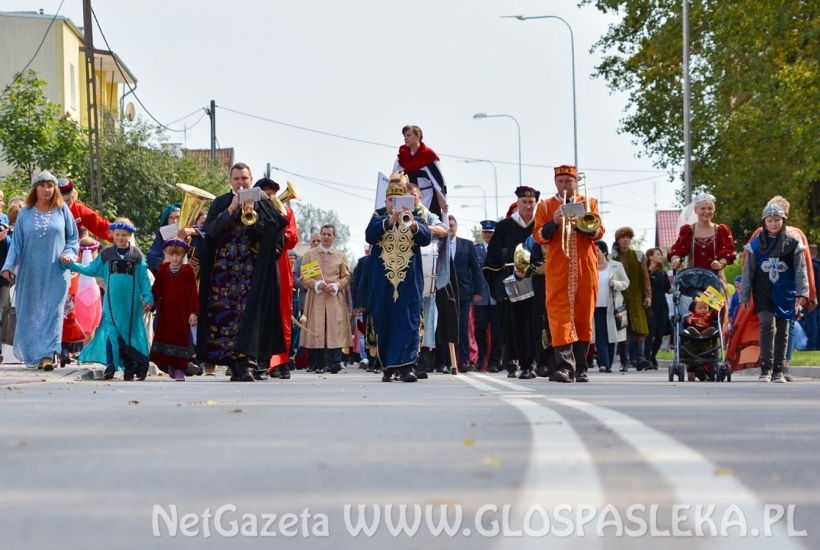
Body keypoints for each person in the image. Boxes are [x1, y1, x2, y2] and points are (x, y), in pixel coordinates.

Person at [199, 162, 289, 381]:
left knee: (251, 317)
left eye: (245, 178)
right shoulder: (221, 202)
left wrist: (254, 211)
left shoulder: (264, 202)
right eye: (237, 178)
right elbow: (210, 231)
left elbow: (275, 234)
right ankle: (234, 364)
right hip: (225, 274)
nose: (241, 182)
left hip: (254, 274)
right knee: (226, 317)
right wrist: (231, 209)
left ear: (251, 179)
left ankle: (248, 363)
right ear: (230, 180)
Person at [533, 165, 606, 383]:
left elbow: (599, 231)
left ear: (576, 182)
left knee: (584, 315)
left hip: (585, 267)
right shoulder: (546, 205)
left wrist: (581, 223)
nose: (565, 186)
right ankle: (565, 366)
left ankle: (582, 367)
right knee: (559, 315)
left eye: (569, 181)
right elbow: (538, 236)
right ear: (556, 183)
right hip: (558, 268)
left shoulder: (589, 202)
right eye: (561, 181)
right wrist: (554, 221)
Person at [1, 171, 79, 370]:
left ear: (55, 189)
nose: (46, 189)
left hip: (57, 272)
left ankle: (47, 355)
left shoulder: (62, 211)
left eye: (50, 185)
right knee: (31, 313)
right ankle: (34, 355)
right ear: (35, 189)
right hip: (30, 272)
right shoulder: (26, 213)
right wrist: (8, 266)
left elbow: (73, 239)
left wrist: (69, 254)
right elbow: (16, 244)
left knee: (53, 312)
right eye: (42, 185)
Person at [63, 218, 153, 380]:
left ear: (130, 236)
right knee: (112, 332)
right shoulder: (107, 254)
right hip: (111, 304)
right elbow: (91, 269)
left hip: (130, 307)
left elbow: (143, 279)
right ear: (112, 235)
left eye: (124, 235)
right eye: (117, 234)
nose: (120, 238)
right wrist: (71, 264)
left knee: (128, 335)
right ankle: (111, 365)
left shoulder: (137, 255)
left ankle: (129, 367)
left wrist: (148, 298)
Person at [365, 176, 432, 382]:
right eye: (390, 201)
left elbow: (426, 238)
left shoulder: (416, 217)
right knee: (385, 320)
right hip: (383, 281)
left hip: (408, 280)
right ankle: (387, 368)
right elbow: (370, 235)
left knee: (408, 321)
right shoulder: (378, 218)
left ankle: (406, 368)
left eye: (398, 200)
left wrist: (412, 225)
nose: (394, 204)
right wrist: (391, 220)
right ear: (386, 202)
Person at [739, 203, 808, 383]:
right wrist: (744, 296)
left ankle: (778, 369)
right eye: (770, 220)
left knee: (783, 329)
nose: (774, 223)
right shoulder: (755, 245)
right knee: (767, 324)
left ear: (783, 220)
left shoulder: (793, 244)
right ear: (764, 222)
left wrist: (803, 292)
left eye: (777, 220)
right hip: (764, 292)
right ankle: (765, 368)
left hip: (785, 292)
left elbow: (801, 270)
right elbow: (748, 272)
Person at [484, 187, 541, 379]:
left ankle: (538, 362)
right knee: (516, 323)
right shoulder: (504, 226)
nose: (527, 206)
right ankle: (522, 363)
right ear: (517, 204)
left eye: (531, 202)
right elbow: (491, 258)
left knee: (536, 322)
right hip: (513, 280)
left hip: (538, 279)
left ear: (535, 204)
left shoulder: (541, 225)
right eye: (524, 202)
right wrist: (503, 278)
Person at [253, 178, 299, 380]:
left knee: (282, 314)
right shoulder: (253, 212)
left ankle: (281, 361)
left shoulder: (287, 212)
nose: (270, 197)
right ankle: (258, 360)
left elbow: (292, 240)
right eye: (266, 193)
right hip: (257, 263)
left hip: (280, 265)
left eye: (272, 193)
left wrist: (279, 225)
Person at [407, 181, 449, 377]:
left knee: (429, 317)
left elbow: (443, 231)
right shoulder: (398, 214)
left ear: (420, 197)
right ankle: (408, 361)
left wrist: (422, 227)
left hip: (426, 276)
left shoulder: (428, 214)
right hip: (406, 274)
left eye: (413, 196)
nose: (410, 199)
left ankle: (424, 362)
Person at [300, 224, 352, 375]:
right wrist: (316, 283)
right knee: (317, 327)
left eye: (329, 234)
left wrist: (336, 285)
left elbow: (347, 276)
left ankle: (334, 362)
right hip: (316, 298)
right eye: (324, 234)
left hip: (334, 298)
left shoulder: (341, 255)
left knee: (335, 328)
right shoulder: (310, 254)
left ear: (334, 237)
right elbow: (304, 277)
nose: (326, 237)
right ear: (321, 235)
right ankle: (318, 363)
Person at [150, 239, 200, 381]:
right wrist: (150, 305)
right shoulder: (163, 271)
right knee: (166, 338)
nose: (175, 258)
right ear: (166, 254)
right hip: (166, 313)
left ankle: (179, 369)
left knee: (181, 339)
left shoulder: (188, 271)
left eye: (178, 255)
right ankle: (170, 366)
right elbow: (156, 290)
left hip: (182, 314)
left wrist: (194, 312)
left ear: (184, 255)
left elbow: (192, 293)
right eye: (171, 255)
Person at [668, 192, 736, 282]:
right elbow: (678, 250)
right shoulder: (688, 231)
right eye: (703, 208)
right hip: (692, 282)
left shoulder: (721, 230)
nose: (707, 212)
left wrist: (720, 263)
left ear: (714, 210)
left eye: (710, 208)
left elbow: (727, 252)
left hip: (715, 280)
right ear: (696, 210)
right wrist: (676, 260)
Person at [611, 227, 652, 371]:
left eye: (628, 237)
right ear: (618, 240)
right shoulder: (613, 257)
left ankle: (640, 359)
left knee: (639, 328)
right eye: (623, 238)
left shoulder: (639, 255)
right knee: (622, 329)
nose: (626, 240)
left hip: (636, 297)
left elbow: (645, 277)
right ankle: (624, 361)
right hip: (619, 298)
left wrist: (648, 296)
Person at [447, 215, 483, 372]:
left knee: (462, 328)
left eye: (452, 225)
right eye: (447, 225)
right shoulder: (438, 244)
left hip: (463, 292)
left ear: (456, 227)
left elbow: (475, 269)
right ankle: (446, 362)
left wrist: (478, 289)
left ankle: (465, 361)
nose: (450, 228)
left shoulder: (467, 245)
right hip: (444, 292)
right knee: (446, 328)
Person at [393, 125, 448, 218]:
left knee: (431, 222)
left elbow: (439, 180)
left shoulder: (429, 155)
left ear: (418, 136)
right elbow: (395, 180)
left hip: (429, 197)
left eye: (408, 135)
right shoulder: (402, 157)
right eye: (404, 136)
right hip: (408, 197)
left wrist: (441, 199)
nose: (405, 138)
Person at [593, 241, 629, 373]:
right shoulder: (589, 265)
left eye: (596, 250)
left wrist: (616, 284)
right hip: (596, 306)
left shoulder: (616, 266)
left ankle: (607, 363)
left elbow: (626, 283)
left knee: (612, 335)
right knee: (600, 335)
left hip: (612, 305)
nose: (594, 252)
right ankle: (604, 363)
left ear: (604, 252)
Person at [473, 220, 502, 372]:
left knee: (497, 331)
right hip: (481, 296)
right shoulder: (476, 249)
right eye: (485, 232)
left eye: (490, 233)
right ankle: (482, 354)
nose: (487, 235)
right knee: (480, 327)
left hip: (497, 295)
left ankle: (495, 361)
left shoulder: (500, 249)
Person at [644, 247, 671, 367]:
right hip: (650, 305)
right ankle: (646, 358)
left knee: (660, 333)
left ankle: (653, 355)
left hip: (662, 305)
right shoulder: (645, 272)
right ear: (651, 256)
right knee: (650, 332)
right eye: (658, 254)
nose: (661, 256)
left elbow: (668, 289)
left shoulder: (663, 273)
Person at [146, 203, 181, 274]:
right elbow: (151, 256)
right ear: (166, 220)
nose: (174, 221)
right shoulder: (163, 234)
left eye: (177, 217)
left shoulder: (191, 232)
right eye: (171, 218)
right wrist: (162, 262)